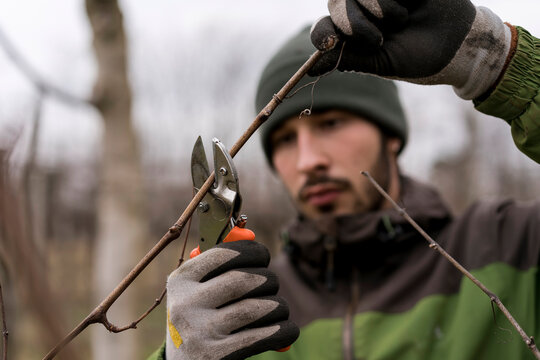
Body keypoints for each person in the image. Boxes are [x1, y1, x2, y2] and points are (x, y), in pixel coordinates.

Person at [148, 0, 540, 359]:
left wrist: (499, 62)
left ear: (391, 136)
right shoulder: (241, 313)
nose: (308, 161)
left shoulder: (515, 246)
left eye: (331, 123)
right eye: (285, 140)